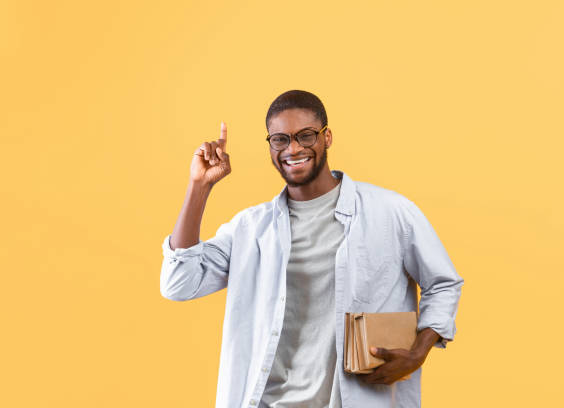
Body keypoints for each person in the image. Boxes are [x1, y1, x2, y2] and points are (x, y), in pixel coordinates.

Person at [160, 90, 464, 408]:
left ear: (327, 137)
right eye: (280, 139)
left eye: (305, 136)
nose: (293, 149)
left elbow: (443, 282)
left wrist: (418, 353)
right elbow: (179, 282)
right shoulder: (250, 228)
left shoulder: (389, 211)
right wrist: (199, 186)